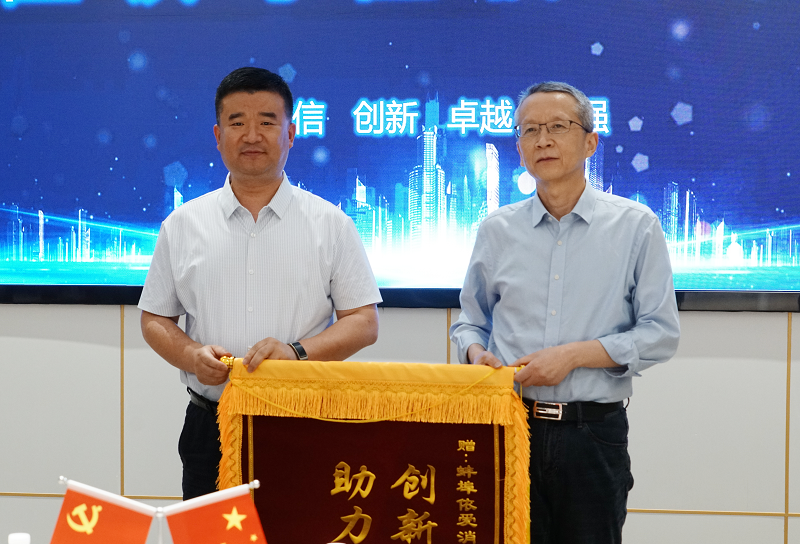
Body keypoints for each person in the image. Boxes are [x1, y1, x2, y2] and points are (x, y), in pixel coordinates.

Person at [449, 82, 680, 543]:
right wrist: (476, 354)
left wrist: (574, 356)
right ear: (519, 147)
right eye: (529, 130)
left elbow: (660, 333)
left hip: (592, 433)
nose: (543, 140)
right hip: (510, 425)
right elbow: (470, 323)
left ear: (590, 142)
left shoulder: (635, 226)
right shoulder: (497, 230)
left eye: (558, 127)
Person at [139, 67, 382, 500]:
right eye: (237, 122)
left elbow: (363, 322)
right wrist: (192, 355)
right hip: (212, 427)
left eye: (267, 122)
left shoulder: (331, 223)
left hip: (303, 423)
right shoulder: (182, 224)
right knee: (208, 532)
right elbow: (155, 319)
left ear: (290, 134)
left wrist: (297, 353)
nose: (252, 135)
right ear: (218, 136)